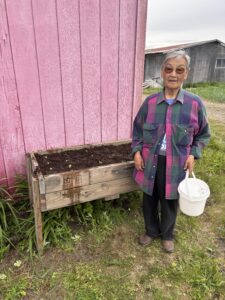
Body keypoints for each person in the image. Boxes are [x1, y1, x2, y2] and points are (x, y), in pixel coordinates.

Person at [131, 50, 210, 253]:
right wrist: (137, 152)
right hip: (150, 162)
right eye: (169, 69)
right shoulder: (149, 103)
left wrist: (193, 153)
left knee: (170, 200)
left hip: (176, 164)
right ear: (162, 72)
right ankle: (151, 231)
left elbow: (203, 135)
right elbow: (137, 130)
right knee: (149, 198)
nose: (173, 74)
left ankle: (167, 234)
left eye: (179, 70)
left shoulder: (194, 104)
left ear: (186, 74)